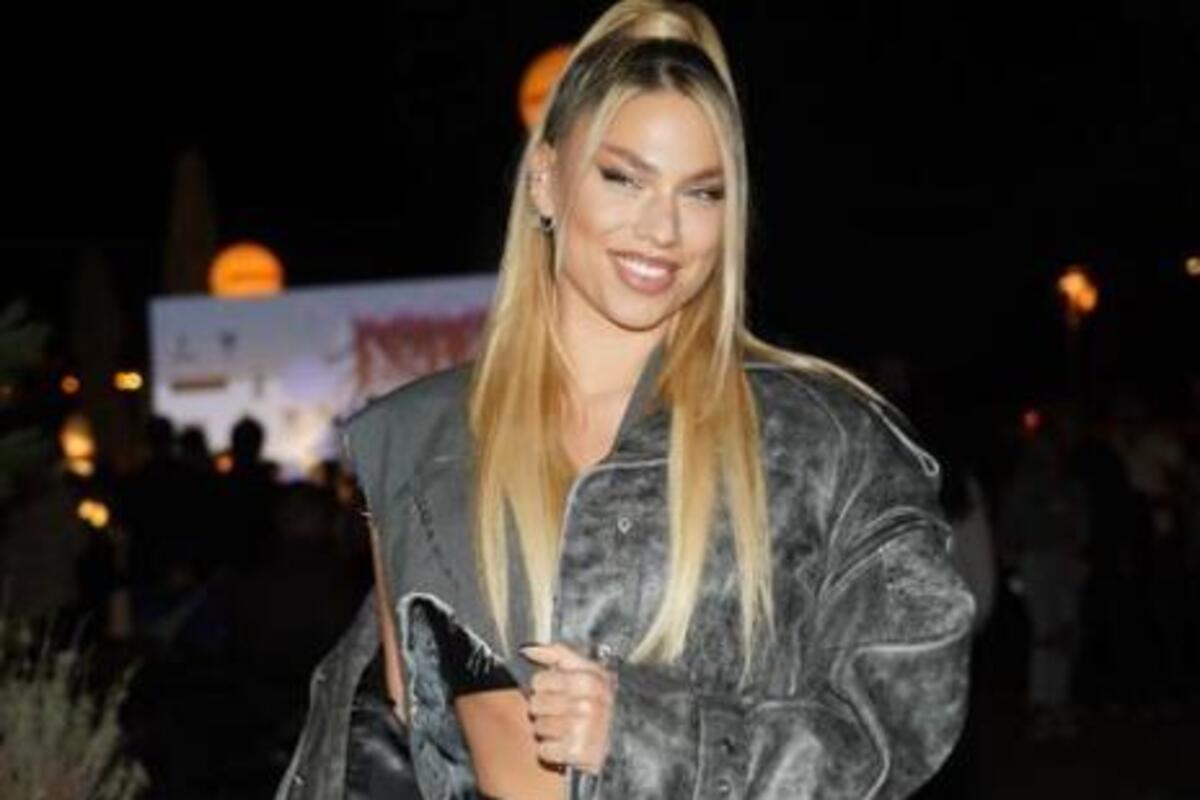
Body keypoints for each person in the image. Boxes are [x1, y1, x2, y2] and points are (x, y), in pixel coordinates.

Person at [277, 2, 974, 798]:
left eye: (702, 193)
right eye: (624, 178)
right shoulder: (411, 437)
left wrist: (647, 736)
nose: (663, 229)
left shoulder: (822, 440)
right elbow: (406, 731)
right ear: (545, 180)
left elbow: (905, 714)